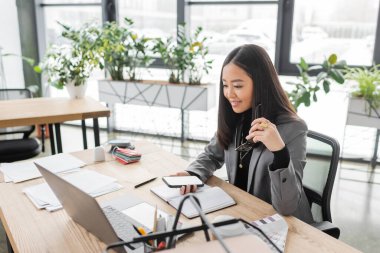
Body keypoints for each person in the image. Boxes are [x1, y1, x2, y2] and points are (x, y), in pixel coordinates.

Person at [174, 44, 314, 223]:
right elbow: (211, 155)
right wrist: (193, 174)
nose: (229, 94)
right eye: (225, 85)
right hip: (244, 213)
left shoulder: (294, 128)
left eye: (238, 86)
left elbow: (286, 207)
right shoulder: (236, 117)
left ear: (261, 84)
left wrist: (279, 151)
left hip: (284, 224)